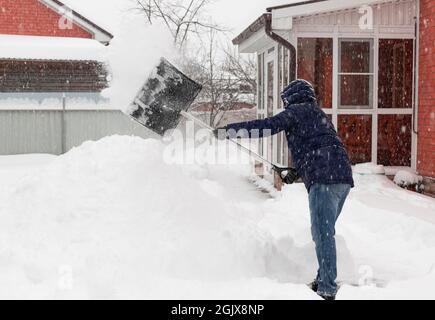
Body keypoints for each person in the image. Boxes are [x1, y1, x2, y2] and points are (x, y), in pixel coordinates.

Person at [214, 79, 354, 300]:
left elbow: (265, 126)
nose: (285, 104)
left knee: (323, 234)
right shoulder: (318, 115)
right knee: (325, 233)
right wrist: (298, 172)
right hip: (342, 177)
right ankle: (323, 278)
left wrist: (230, 131)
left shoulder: (296, 112)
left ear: (292, 97)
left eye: (285, 100)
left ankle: (327, 288)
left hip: (324, 179)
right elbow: (321, 146)